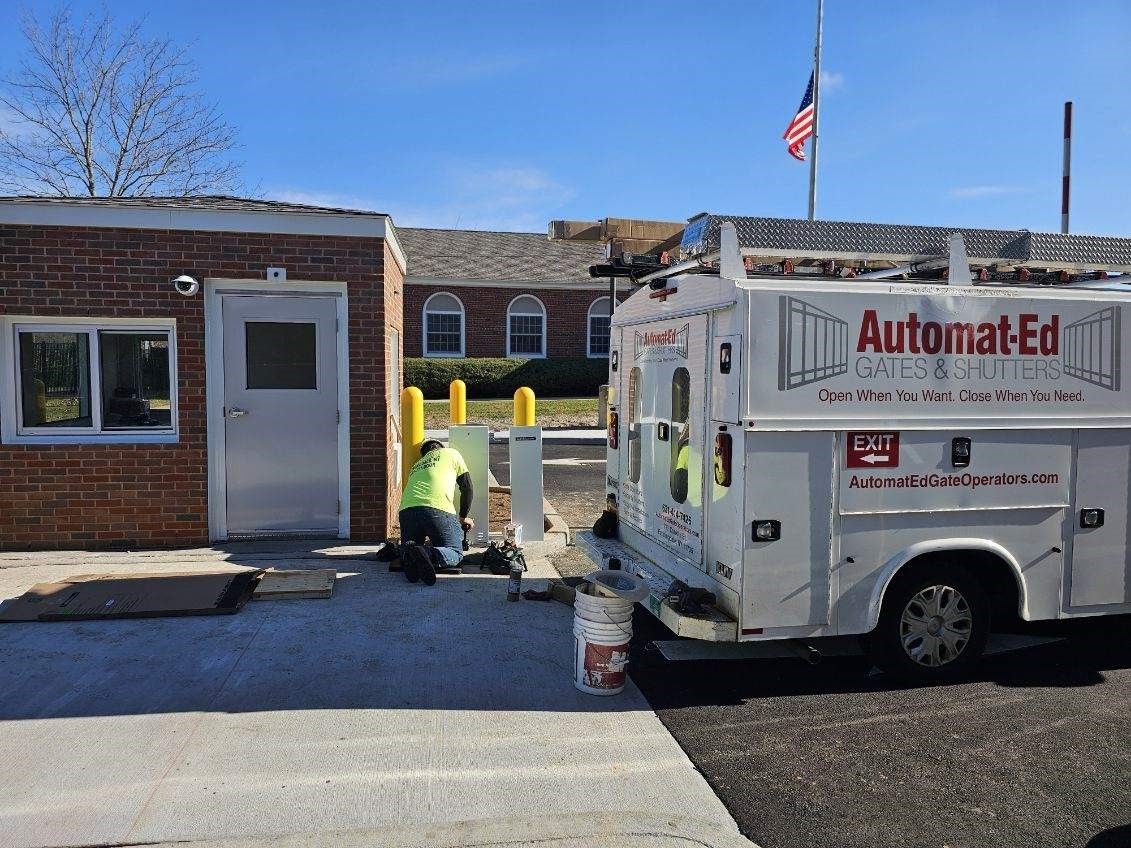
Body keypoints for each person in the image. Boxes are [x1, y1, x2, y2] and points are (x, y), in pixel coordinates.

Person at [398, 439, 474, 586]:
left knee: (411, 547)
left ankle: (410, 555)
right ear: (440, 447)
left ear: (423, 454)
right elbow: (467, 488)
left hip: (406, 512)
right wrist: (463, 517)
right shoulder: (451, 453)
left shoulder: (416, 466)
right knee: (454, 552)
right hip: (436, 509)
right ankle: (428, 554)